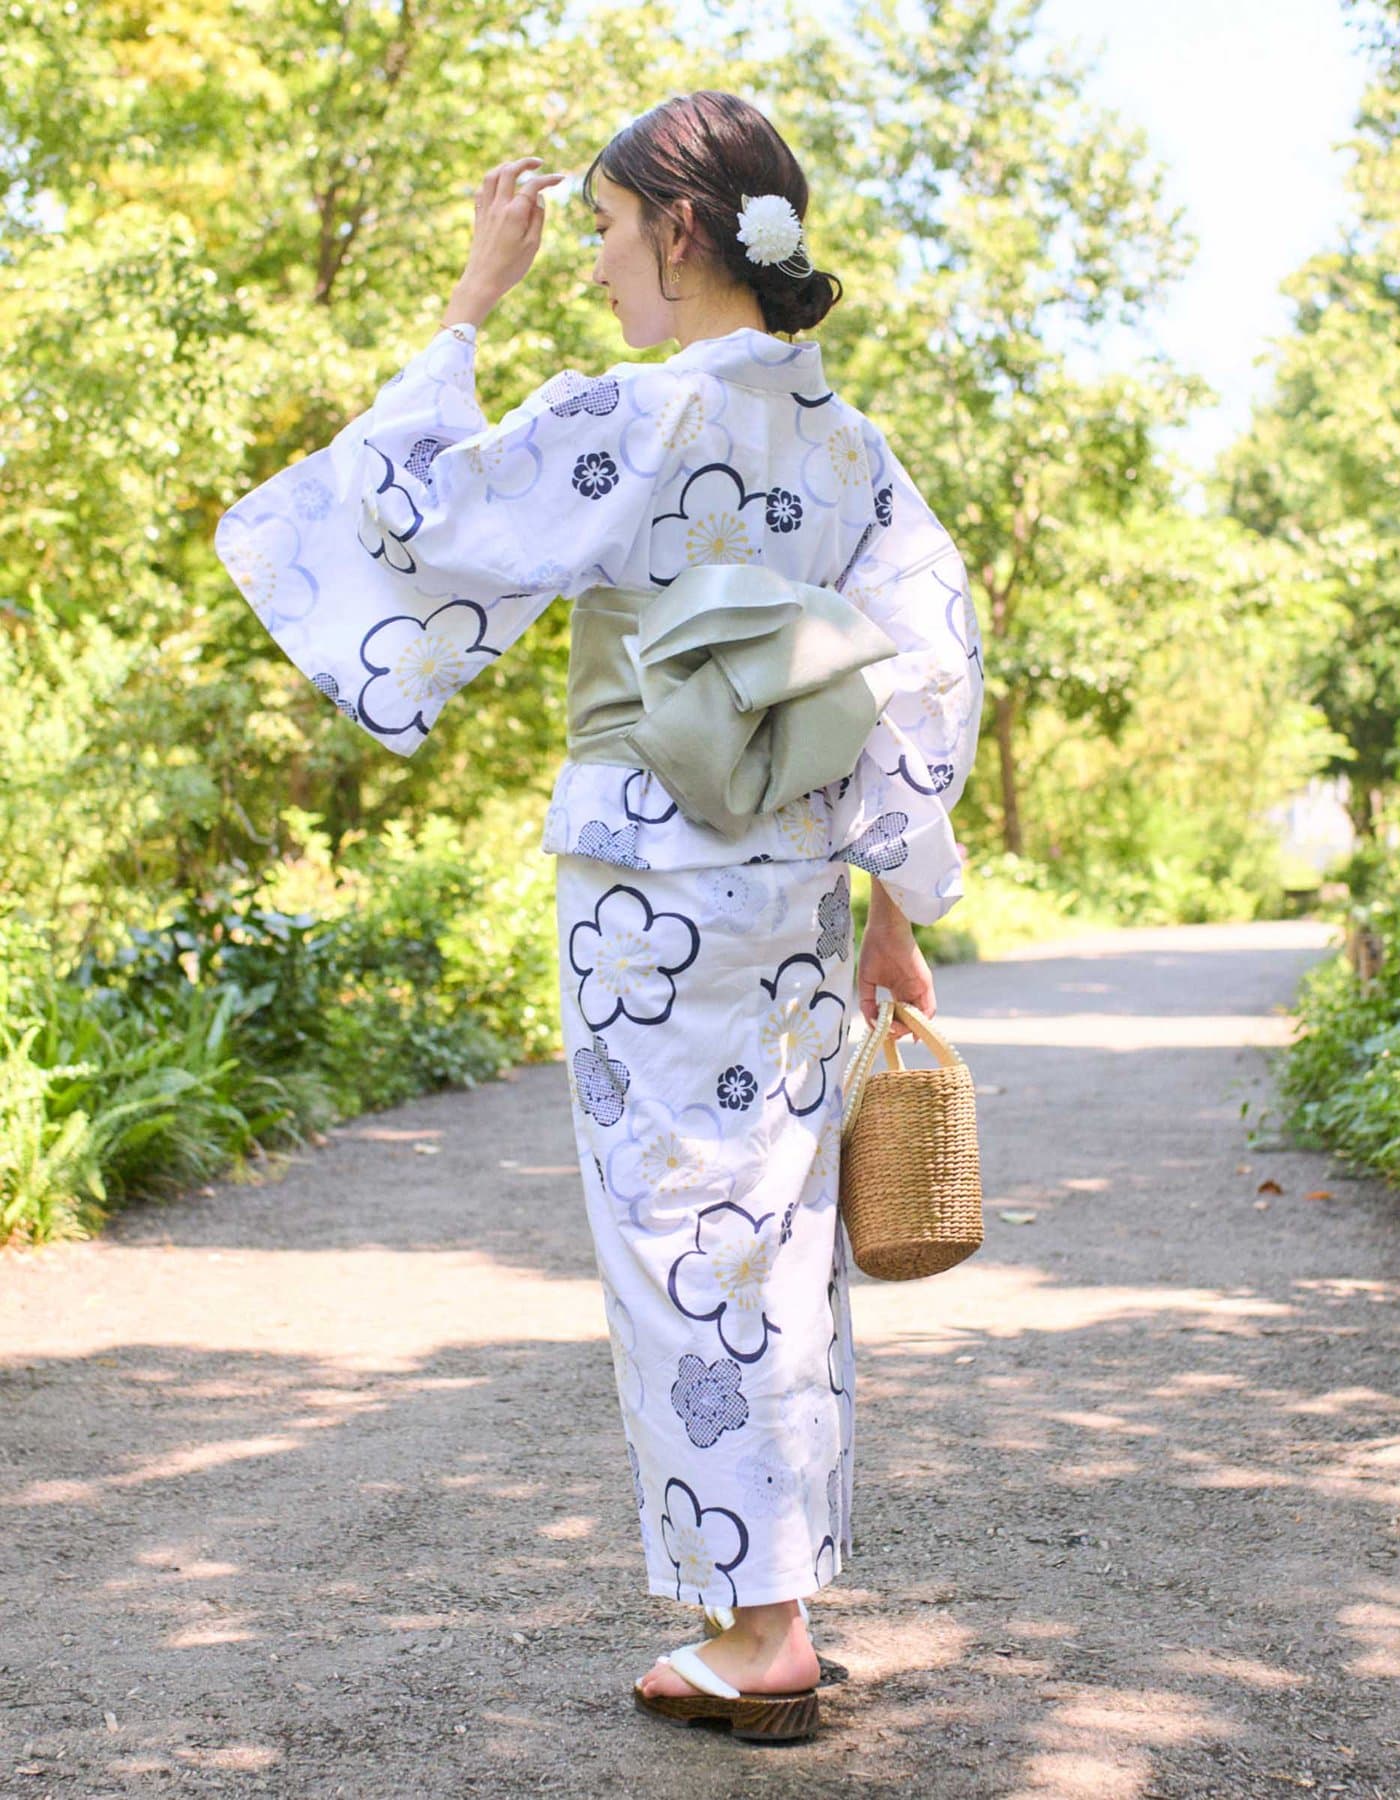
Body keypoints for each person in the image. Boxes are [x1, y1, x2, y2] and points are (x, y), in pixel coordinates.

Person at [215, 89, 983, 1744]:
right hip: (791, 882)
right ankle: (765, 1599)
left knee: (674, 1237)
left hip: (647, 888)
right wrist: (896, 898)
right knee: (773, 1234)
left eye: (611, 234)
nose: (597, 268)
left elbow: (420, 511)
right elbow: (927, 663)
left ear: (684, 234)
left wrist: (470, 300)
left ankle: (759, 1629)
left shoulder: (632, 411)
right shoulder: (847, 445)